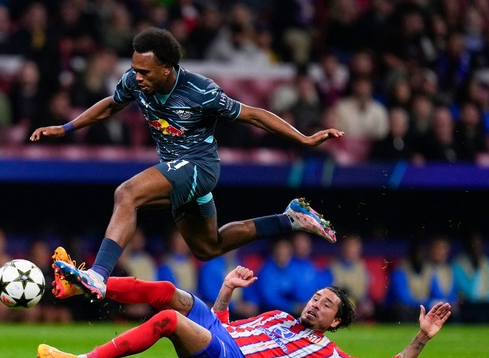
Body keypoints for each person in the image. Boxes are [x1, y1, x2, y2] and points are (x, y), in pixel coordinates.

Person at [30, 27, 342, 301]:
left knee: (127, 193)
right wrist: (67, 127)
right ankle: (290, 218)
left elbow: (253, 114)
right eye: (135, 69)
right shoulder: (134, 82)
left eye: (145, 72)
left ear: (166, 68)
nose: (137, 77)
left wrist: (303, 138)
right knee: (208, 247)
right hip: (176, 171)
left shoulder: (200, 90)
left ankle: (98, 274)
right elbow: (111, 105)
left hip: (199, 166)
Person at [37, 264, 451, 358]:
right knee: (166, 290)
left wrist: (421, 339)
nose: (314, 304)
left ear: (335, 322)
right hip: (223, 340)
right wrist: (227, 292)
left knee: (167, 319)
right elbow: (222, 327)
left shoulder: (326, 355)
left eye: (325, 305)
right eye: (316, 297)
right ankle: (89, 286)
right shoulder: (277, 316)